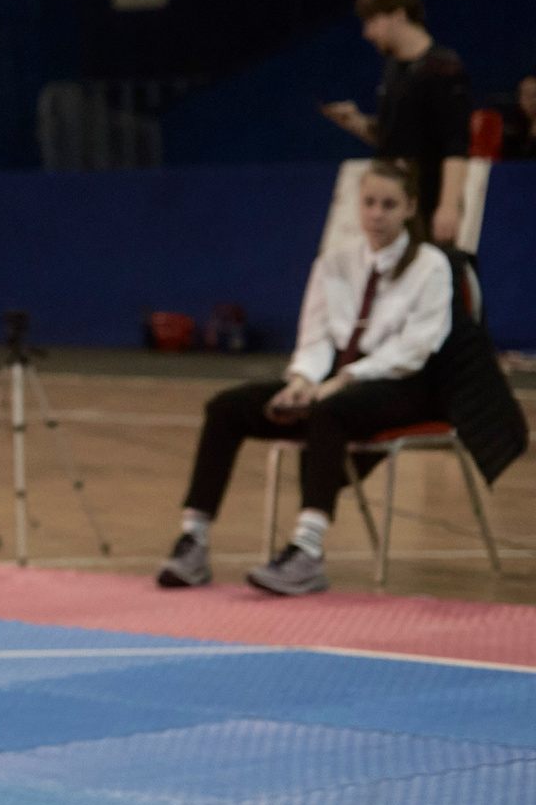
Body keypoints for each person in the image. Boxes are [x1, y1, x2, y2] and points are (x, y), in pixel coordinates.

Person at [157, 159, 454, 597]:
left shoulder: (431, 266)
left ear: (410, 207)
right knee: (225, 408)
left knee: (329, 411)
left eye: (389, 205)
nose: (377, 214)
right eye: (369, 202)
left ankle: (308, 550)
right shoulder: (334, 263)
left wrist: (344, 380)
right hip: (331, 382)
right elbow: (315, 336)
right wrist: (301, 379)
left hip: (403, 385)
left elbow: (416, 347)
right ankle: (193, 541)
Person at [321, 0, 472, 244]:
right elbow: (395, 138)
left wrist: (447, 207)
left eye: (373, 21)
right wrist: (357, 123)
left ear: (399, 16)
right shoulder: (393, 67)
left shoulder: (444, 69)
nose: (367, 33)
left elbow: (456, 145)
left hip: (428, 201)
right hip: (396, 203)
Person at [500, 73, 536, 161]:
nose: (532, 101)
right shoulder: (511, 126)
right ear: (520, 99)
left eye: (535, 95)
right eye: (527, 95)